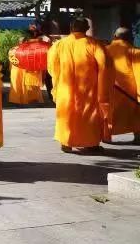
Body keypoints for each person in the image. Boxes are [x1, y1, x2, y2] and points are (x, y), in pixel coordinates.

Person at [47, 18, 110, 153]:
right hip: (88, 88)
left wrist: (58, 80)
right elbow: (104, 66)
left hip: (65, 87)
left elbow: (52, 66)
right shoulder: (94, 44)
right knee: (88, 114)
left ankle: (66, 142)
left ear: (71, 28)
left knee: (66, 113)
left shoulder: (59, 45)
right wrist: (104, 86)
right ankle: (90, 144)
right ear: (86, 28)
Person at [105, 27, 140, 144]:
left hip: (109, 89)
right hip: (129, 92)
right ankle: (138, 136)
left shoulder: (105, 50)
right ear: (130, 38)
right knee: (135, 115)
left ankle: (105, 136)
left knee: (108, 114)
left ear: (114, 36)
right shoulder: (134, 51)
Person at [8, 25, 46, 105]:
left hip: (19, 69)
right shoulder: (36, 48)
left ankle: (19, 100)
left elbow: (11, 60)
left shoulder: (14, 49)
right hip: (23, 69)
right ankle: (25, 99)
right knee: (22, 85)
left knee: (20, 85)